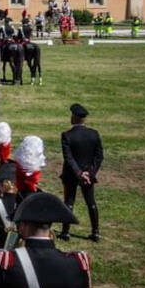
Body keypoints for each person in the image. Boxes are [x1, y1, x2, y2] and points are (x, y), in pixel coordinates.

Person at [59, 103, 103, 242]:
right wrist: (90, 173)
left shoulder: (67, 136)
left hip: (72, 174)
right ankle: (95, 232)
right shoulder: (94, 134)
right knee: (91, 203)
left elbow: (69, 158)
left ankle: (65, 232)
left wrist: (78, 173)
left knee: (69, 202)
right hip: (88, 174)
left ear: (75, 117)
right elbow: (99, 156)